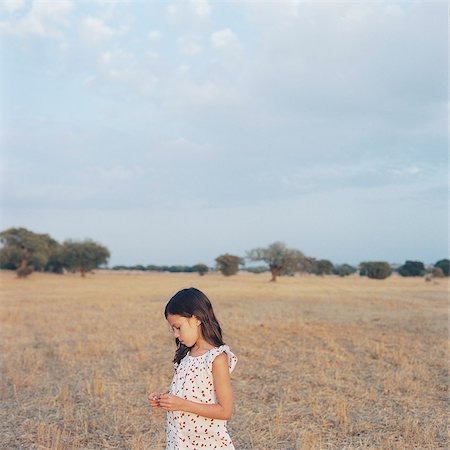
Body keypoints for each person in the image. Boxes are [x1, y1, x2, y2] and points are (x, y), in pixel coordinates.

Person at [148, 287, 238, 449]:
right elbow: (188, 393)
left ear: (196, 319)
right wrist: (166, 399)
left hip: (208, 444)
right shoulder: (186, 355)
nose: (175, 334)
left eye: (178, 327)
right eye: (173, 329)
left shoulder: (216, 358)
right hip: (180, 442)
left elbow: (225, 411)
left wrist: (181, 404)